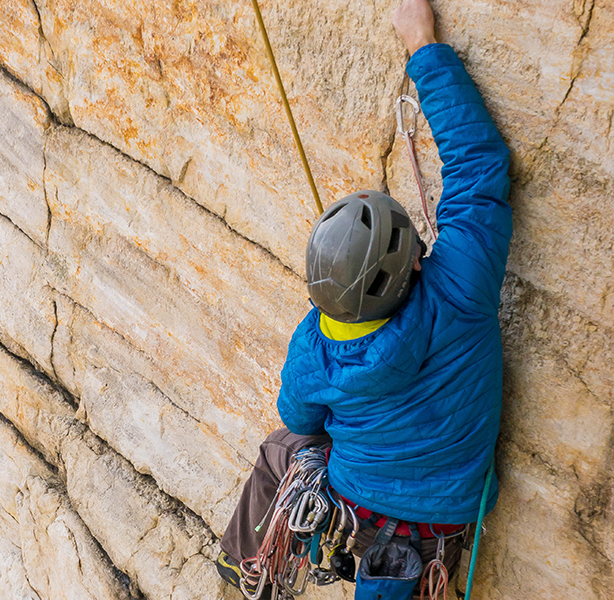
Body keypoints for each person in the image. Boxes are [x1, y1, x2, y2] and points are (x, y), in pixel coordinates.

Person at [216, 0, 512, 597]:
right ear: (413, 263)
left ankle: (239, 574)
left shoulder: (315, 347)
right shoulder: (459, 288)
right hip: (442, 522)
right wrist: (422, 46)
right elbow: (478, 170)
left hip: (354, 513)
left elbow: (299, 420)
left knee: (281, 450)